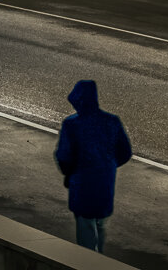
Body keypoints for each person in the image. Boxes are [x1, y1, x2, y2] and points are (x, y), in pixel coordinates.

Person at [54, 80, 132, 253]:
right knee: (100, 224)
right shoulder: (112, 121)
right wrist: (108, 165)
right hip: (105, 182)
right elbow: (125, 152)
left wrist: (69, 174)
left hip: (81, 184)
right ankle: (100, 258)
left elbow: (64, 156)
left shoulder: (72, 124)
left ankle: (88, 262)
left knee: (85, 230)